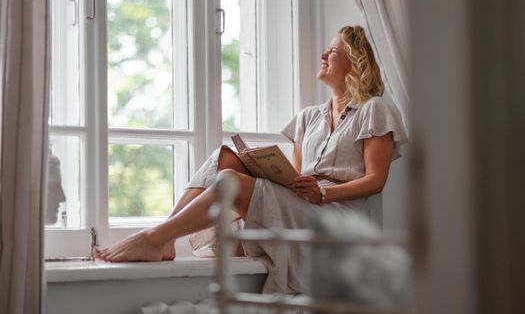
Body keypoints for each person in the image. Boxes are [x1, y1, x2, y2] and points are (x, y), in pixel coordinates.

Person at [94, 25, 408, 293]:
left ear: (356, 61)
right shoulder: (309, 118)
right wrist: (277, 175)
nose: (324, 55)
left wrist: (324, 192)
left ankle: (153, 238)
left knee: (230, 182)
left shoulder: (375, 109)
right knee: (224, 159)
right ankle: (166, 239)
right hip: (303, 207)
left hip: (337, 220)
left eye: (333, 51)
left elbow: (375, 180)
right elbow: (297, 176)